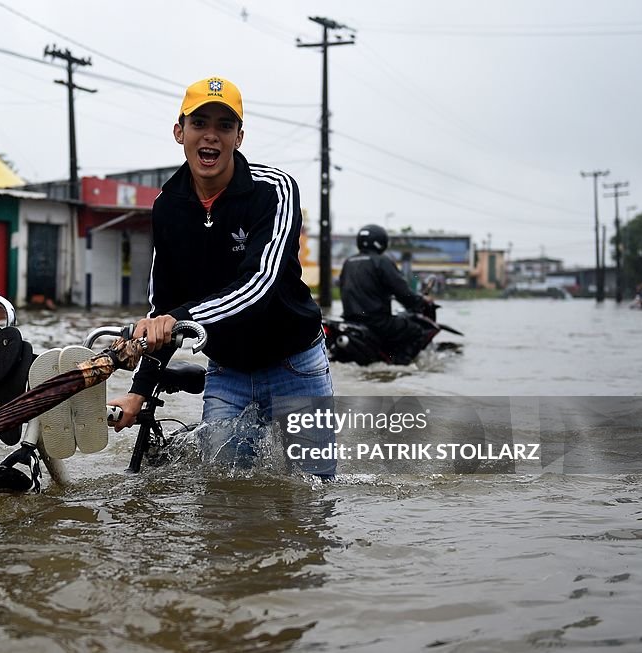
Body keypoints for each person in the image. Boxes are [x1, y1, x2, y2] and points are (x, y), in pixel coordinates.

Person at [107, 76, 334, 478]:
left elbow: (259, 285)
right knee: (224, 499)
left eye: (224, 126)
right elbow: (162, 305)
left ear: (239, 137)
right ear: (180, 132)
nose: (210, 136)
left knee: (313, 495)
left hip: (296, 365)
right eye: (199, 123)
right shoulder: (167, 206)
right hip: (227, 372)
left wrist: (177, 319)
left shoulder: (274, 191)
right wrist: (139, 391)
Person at [337, 224, 429, 359]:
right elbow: (402, 291)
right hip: (377, 323)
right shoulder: (381, 261)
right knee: (416, 331)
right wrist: (419, 302)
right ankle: (401, 368)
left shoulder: (348, 262)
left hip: (350, 320)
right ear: (381, 241)